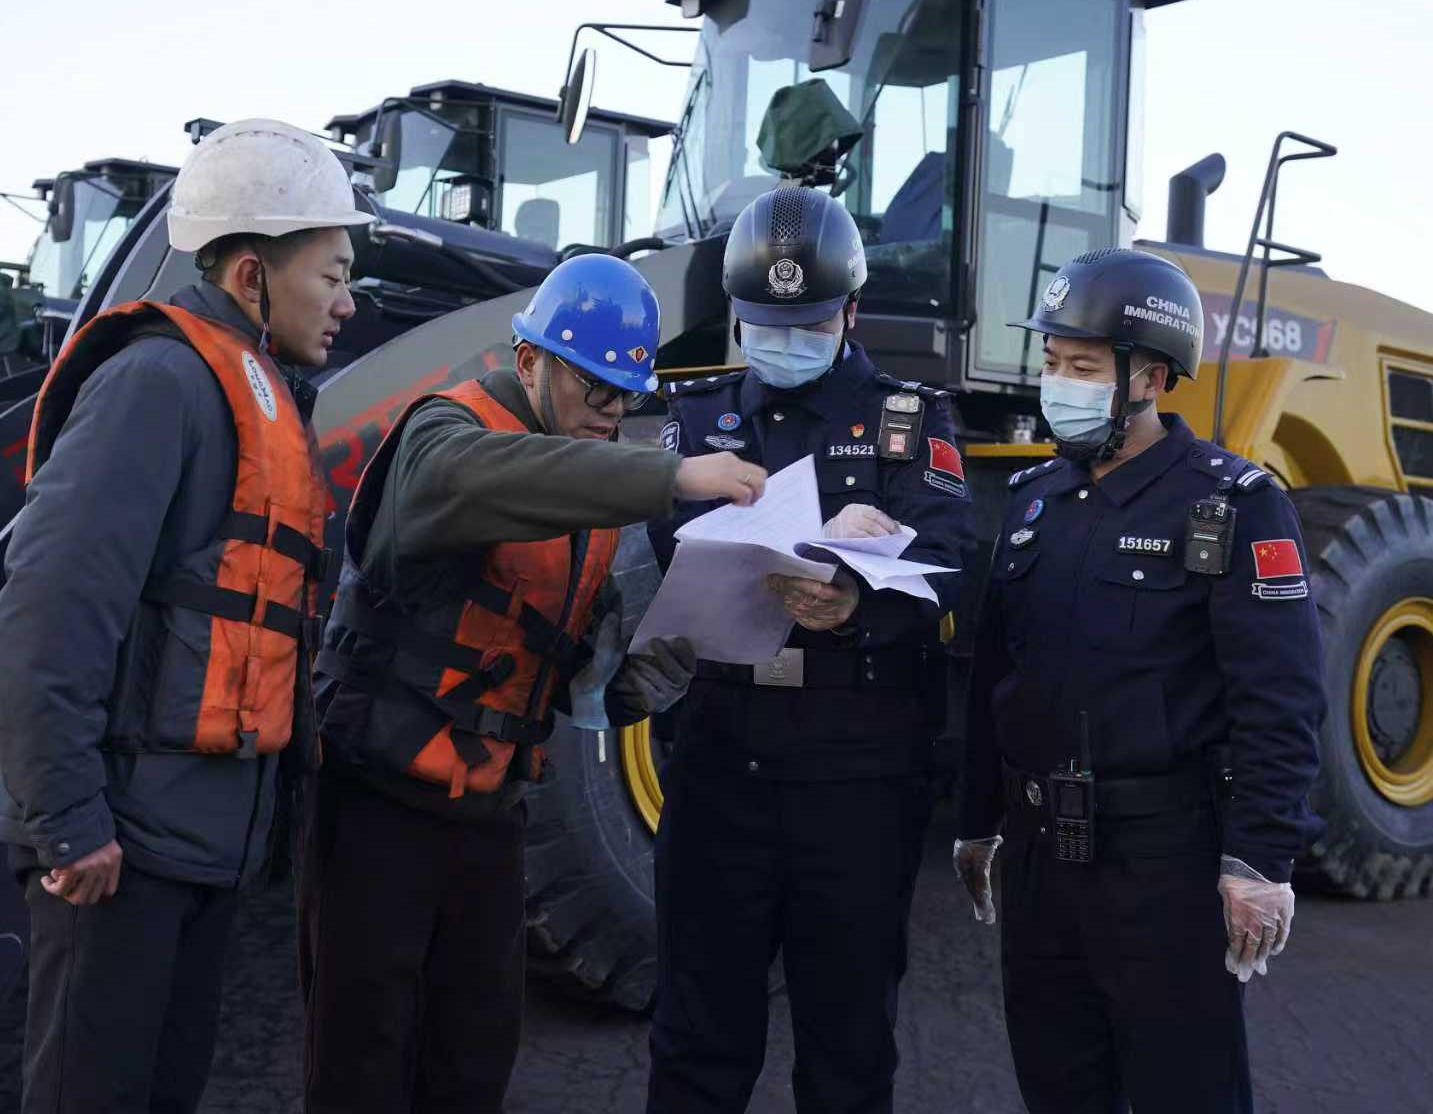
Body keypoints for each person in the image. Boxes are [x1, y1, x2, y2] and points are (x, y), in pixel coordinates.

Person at [302, 253, 766, 1114]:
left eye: (625, 396)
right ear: (528, 362)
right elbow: (479, 479)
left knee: (473, 1058)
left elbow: (577, 688)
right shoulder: (444, 437)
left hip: (487, 818)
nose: (610, 413)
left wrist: (656, 671)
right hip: (378, 806)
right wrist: (673, 475)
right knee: (361, 1060)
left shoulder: (581, 487)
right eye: (593, 389)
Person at [0, 118, 370, 1113]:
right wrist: (68, 822)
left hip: (195, 844)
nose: (346, 301)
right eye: (329, 274)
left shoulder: (261, 391)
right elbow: (48, 610)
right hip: (116, 846)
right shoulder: (156, 381)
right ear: (249, 274)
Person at [953, 246, 1327, 1113]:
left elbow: (1277, 695)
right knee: (1058, 1087)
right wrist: (977, 822)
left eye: (1081, 366)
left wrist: (1258, 859)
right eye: (1051, 363)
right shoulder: (1035, 498)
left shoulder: (1231, 503)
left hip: (1163, 864)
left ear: (1149, 377)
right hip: (1042, 859)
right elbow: (993, 680)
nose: (1058, 383)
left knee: (1183, 1091)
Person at [646, 185, 975, 1113]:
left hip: (856, 776)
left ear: (850, 314)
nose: (783, 337)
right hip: (720, 762)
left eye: (808, 321)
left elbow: (950, 556)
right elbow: (662, 537)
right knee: (695, 1043)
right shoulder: (698, 418)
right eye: (763, 322)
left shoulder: (908, 419)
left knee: (848, 1047)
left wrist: (856, 590)